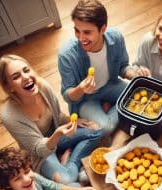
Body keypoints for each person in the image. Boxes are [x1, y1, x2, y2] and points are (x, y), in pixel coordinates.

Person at [0, 54, 103, 184]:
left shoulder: (43, 87)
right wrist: (58, 134)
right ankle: (69, 166)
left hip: (57, 135)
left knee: (97, 130)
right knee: (67, 179)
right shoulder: (9, 116)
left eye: (26, 70)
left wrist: (74, 121)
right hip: (40, 154)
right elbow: (38, 149)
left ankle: (69, 162)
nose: (26, 77)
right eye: (16, 77)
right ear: (9, 87)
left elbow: (58, 116)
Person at [58, 0, 135, 136]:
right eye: (77, 30)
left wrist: (134, 75)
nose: (81, 38)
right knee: (105, 128)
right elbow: (67, 95)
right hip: (85, 99)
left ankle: (108, 108)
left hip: (110, 85)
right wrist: (81, 89)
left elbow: (123, 66)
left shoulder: (116, 38)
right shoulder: (66, 55)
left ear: (103, 28)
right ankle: (111, 109)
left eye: (87, 32)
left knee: (136, 94)